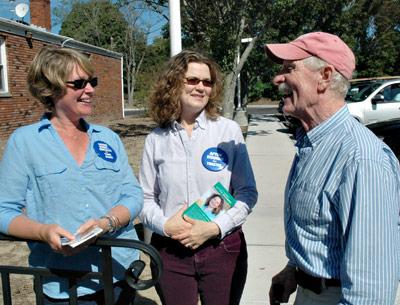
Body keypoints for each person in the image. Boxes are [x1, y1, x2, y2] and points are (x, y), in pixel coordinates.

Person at [0, 47, 143, 304]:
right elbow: (3, 211)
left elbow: (132, 194)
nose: (90, 89)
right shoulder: (25, 142)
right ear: (51, 89)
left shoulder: (108, 138)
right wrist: (44, 232)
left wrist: (107, 222)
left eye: (92, 82)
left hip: (118, 274)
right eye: (79, 83)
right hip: (62, 284)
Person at [265, 32, 400, 305]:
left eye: (289, 68)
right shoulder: (311, 142)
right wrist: (295, 270)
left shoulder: (361, 159)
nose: (277, 79)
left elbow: (371, 291)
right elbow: (325, 235)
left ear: (325, 76)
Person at [139, 50, 258, 305]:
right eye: (192, 80)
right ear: (174, 83)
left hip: (222, 248)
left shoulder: (228, 131)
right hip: (171, 251)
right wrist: (165, 225)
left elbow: (247, 192)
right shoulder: (156, 139)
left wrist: (215, 227)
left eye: (207, 82)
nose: (201, 87)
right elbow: (146, 198)